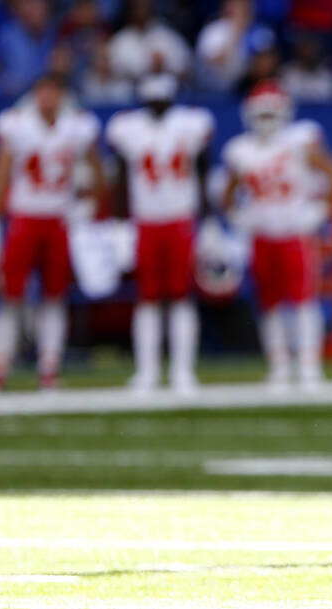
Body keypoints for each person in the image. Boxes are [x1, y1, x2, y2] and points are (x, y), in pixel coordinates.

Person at [0, 73, 103, 390]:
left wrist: (89, 202)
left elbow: (96, 166)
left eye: (52, 92)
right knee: (9, 296)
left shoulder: (76, 126)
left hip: (58, 219)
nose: (46, 98)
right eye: (42, 92)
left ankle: (49, 367)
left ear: (61, 95)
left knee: (54, 296)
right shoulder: (18, 124)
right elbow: (2, 172)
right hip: (24, 217)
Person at [220, 82, 332, 392]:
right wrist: (238, 217)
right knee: (270, 303)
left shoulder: (300, 140)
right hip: (262, 233)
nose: (266, 119)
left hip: (296, 231)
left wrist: (321, 209)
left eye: (271, 112)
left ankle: (309, 367)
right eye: (261, 113)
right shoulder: (241, 149)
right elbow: (228, 195)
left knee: (303, 300)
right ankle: (279, 367)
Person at [106, 73, 214, 394]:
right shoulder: (129, 128)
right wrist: (121, 225)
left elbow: (201, 171)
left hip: (180, 219)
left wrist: (207, 221)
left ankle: (183, 371)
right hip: (146, 220)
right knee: (148, 298)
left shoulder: (190, 124)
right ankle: (147, 371)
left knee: (181, 296)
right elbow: (121, 178)